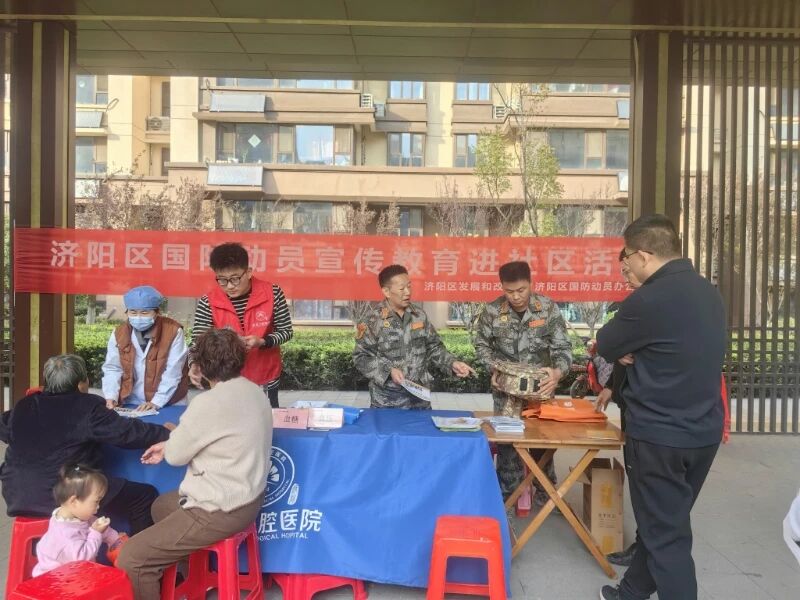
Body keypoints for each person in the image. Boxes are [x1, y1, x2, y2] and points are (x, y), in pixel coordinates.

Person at [596, 214, 726, 600]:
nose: (626, 266)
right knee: (663, 522)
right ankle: (631, 592)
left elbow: (606, 343)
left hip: (659, 437)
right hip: (703, 433)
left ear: (643, 255)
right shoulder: (708, 292)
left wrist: (629, 349)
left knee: (666, 537)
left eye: (626, 258)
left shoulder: (648, 299)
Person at [117, 328, 272, 600]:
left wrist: (173, 439)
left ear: (199, 366)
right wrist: (174, 441)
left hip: (218, 508)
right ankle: (191, 577)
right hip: (248, 499)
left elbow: (176, 456)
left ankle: (157, 575)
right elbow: (221, 437)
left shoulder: (207, 403)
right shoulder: (255, 391)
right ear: (240, 359)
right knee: (161, 506)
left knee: (132, 558)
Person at [0, 354, 170, 534]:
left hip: (17, 495)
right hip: (65, 495)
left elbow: (5, 429)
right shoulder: (87, 407)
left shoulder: (24, 405)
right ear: (81, 383)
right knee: (144, 496)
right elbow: (127, 433)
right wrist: (167, 433)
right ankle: (136, 552)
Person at [473, 261, 572, 504]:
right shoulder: (492, 311)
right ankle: (507, 498)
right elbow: (481, 346)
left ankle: (546, 495)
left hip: (540, 391)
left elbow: (563, 347)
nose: (516, 297)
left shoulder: (547, 308)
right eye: (509, 291)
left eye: (521, 290)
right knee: (507, 446)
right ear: (502, 287)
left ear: (530, 283)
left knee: (542, 444)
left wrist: (557, 372)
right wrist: (493, 368)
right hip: (506, 392)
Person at [353, 264, 475, 409]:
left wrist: (452, 363)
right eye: (402, 289)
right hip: (387, 402)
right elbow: (361, 357)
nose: (407, 292)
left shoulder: (419, 315)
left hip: (419, 400)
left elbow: (434, 347)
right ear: (386, 291)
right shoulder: (372, 320)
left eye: (409, 286)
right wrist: (388, 371)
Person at [190, 242, 292, 408]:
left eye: (235, 279)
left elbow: (286, 331)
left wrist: (263, 341)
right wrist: (194, 363)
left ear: (248, 272)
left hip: (264, 374)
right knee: (229, 418)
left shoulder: (272, 293)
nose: (230, 286)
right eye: (222, 280)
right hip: (226, 378)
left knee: (265, 418)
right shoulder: (208, 301)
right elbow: (198, 341)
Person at [102, 285, 189, 411]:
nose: (138, 317)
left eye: (144, 313)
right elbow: (113, 367)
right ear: (127, 312)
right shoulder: (119, 333)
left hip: (169, 401)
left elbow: (173, 372)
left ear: (157, 312)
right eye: (133, 312)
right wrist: (111, 396)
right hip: (131, 400)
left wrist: (157, 402)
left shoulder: (173, 331)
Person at [33, 464, 126, 577]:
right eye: (96, 501)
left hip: (78, 574)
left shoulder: (77, 515)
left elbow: (102, 529)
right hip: (57, 580)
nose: (98, 506)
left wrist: (116, 540)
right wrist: (96, 533)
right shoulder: (65, 536)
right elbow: (82, 559)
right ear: (74, 501)